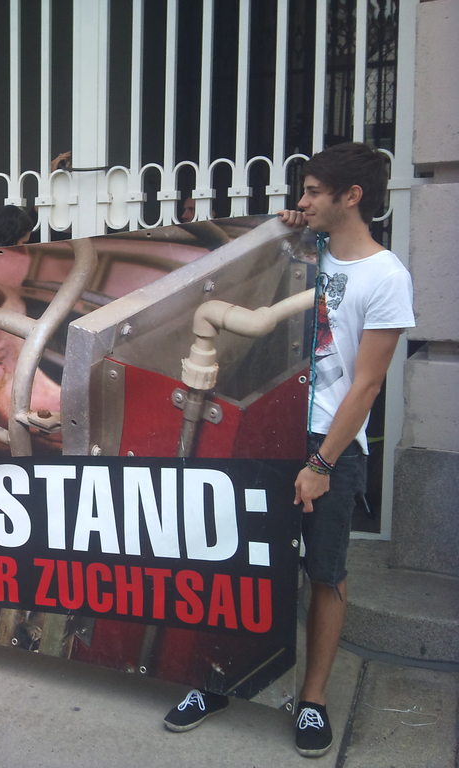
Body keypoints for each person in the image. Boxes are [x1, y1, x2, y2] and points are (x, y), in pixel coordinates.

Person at [161, 142, 414, 758]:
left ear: (352, 197)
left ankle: (313, 700)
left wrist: (322, 464)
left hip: (330, 443)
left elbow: (367, 385)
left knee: (324, 572)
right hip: (267, 427)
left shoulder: (387, 276)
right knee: (235, 562)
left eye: (313, 192)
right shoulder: (305, 246)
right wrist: (289, 226)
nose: (302, 200)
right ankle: (215, 682)